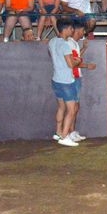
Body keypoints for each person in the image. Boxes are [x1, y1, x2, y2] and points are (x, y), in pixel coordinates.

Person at [48, 19, 81, 147]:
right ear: (66, 29)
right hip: (66, 80)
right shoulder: (65, 45)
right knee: (71, 110)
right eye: (71, 28)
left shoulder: (52, 42)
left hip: (56, 79)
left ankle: (58, 132)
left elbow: (54, 56)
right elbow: (71, 64)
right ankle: (64, 136)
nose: (72, 31)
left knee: (61, 107)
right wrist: (77, 61)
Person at [66, 21, 96, 142]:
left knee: (75, 107)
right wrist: (87, 66)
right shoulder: (70, 43)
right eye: (83, 31)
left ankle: (72, 131)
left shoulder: (74, 44)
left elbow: (76, 58)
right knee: (73, 107)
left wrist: (83, 48)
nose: (83, 33)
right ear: (78, 30)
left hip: (75, 76)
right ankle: (69, 132)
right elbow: (72, 63)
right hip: (73, 77)